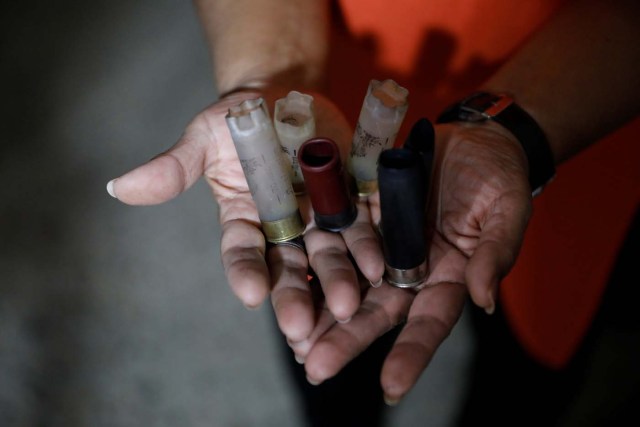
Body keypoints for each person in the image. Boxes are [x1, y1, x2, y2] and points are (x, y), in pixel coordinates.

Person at [106, 0, 640, 424]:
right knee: (330, 350)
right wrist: (265, 74)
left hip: (575, 119)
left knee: (522, 382)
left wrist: (523, 132)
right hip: (333, 98)